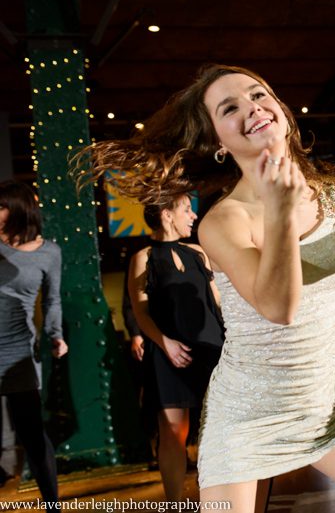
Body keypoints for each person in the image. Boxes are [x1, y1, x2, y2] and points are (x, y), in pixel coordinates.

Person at [84, 65, 335, 512]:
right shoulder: (223, 221)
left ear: (281, 110)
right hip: (246, 414)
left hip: (328, 402)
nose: (252, 109)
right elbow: (278, 307)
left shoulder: (330, 191)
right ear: (216, 141)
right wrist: (279, 211)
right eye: (230, 108)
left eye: (259, 95)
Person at [127, 193, 224, 500]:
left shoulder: (199, 252)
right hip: (167, 352)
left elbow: (219, 303)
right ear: (167, 215)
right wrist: (164, 342)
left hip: (210, 350)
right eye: (186, 210)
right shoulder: (143, 258)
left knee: (215, 431)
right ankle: (175, 502)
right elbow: (140, 311)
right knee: (172, 433)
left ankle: (215, 497)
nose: (193, 216)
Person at [0, 180, 68, 505]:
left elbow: (51, 300)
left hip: (19, 351)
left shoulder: (48, 252)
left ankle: (51, 505)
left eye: (1, 206)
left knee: (32, 434)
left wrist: (56, 335)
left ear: (19, 209)